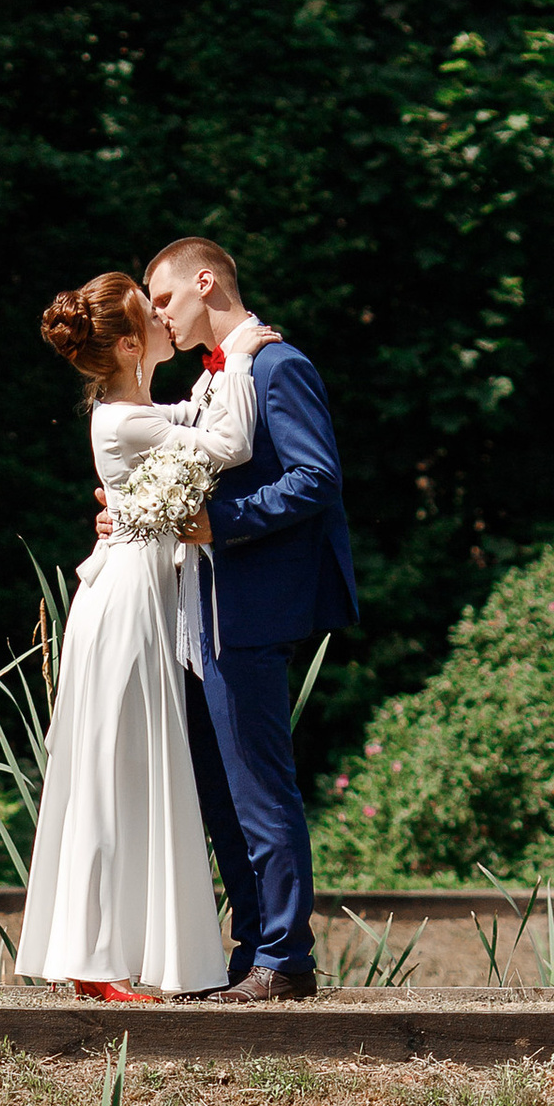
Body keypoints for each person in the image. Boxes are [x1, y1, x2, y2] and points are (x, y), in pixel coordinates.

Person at [16, 272, 273, 1003]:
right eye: (150, 315)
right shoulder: (124, 420)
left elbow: (189, 417)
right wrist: (241, 355)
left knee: (131, 770)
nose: (165, 319)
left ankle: (106, 953)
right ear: (131, 345)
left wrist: (221, 369)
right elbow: (228, 439)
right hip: (128, 605)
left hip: (138, 593)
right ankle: (94, 960)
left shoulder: (133, 411)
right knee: (115, 770)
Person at [137, 233, 360, 1005]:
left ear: (205, 282)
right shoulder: (213, 379)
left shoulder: (276, 366)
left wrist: (219, 523)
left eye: (164, 298)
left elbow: (316, 478)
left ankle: (285, 957)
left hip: (248, 613)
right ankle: (250, 953)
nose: (159, 315)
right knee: (221, 796)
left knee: (260, 789)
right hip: (195, 617)